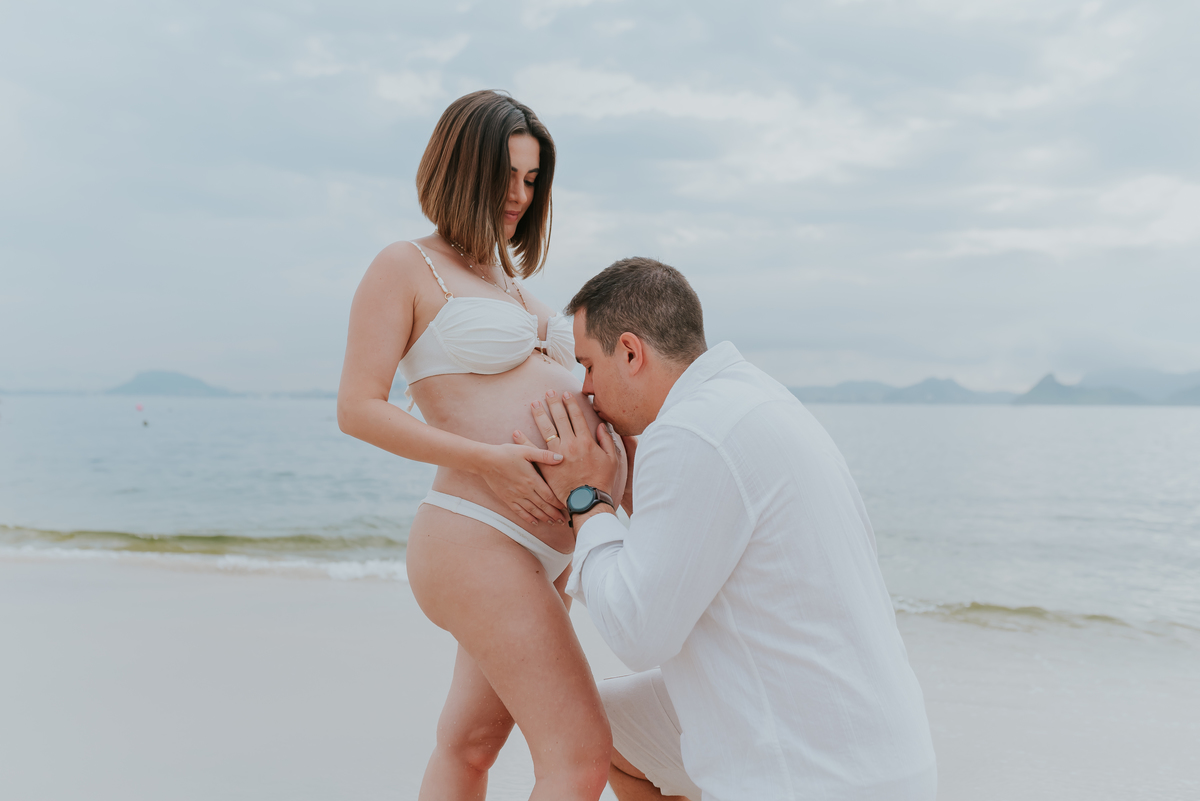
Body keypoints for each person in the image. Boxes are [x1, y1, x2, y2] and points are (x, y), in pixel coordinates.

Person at [518, 258, 938, 801]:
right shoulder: (753, 399)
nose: (586, 388)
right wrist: (617, 491)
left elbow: (636, 632)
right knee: (605, 731)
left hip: (816, 779)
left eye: (589, 365)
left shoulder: (688, 432)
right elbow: (686, 549)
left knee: (586, 727)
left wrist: (586, 499)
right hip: (880, 753)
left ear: (630, 351)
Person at [337, 90, 625, 801]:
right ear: (462, 166)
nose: (520, 195)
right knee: (582, 758)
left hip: (549, 547)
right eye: (508, 177)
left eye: (532, 180)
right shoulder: (404, 266)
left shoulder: (519, 289)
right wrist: (491, 459)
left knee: (467, 746)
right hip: (477, 534)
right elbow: (357, 408)